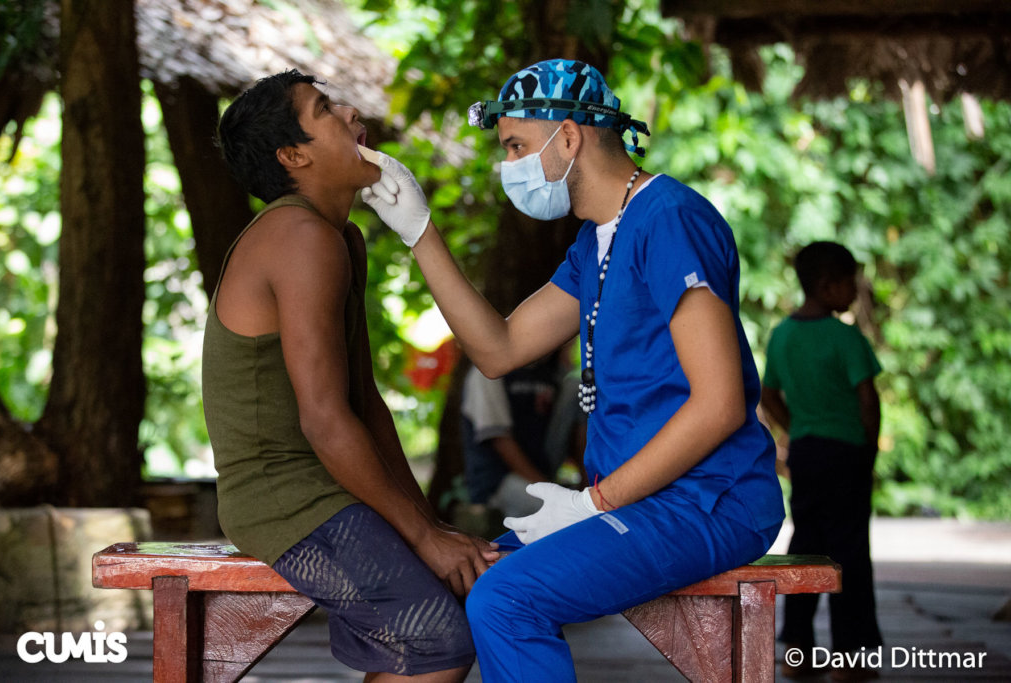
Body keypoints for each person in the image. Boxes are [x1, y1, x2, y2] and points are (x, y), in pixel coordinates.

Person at [361, 58, 785, 682]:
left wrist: (594, 502)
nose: (508, 166)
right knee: (457, 577)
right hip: (636, 505)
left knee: (507, 599)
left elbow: (719, 402)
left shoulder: (668, 218)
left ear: (568, 136)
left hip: (709, 500)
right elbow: (499, 349)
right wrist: (420, 232)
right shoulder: (593, 244)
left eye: (515, 146)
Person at [203, 69, 497, 683]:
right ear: (294, 155)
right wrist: (422, 539)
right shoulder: (299, 236)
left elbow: (364, 405)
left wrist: (431, 527)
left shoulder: (341, 239)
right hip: (282, 494)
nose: (351, 112)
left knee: (451, 612)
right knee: (437, 639)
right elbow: (324, 419)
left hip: (326, 485)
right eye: (325, 110)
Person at [761, 241, 883, 681]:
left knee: (806, 550)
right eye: (851, 282)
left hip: (808, 454)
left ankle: (798, 649)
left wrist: (797, 427)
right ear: (828, 285)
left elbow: (767, 392)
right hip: (847, 453)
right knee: (849, 552)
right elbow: (868, 401)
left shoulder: (783, 335)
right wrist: (867, 449)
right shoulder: (846, 337)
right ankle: (851, 657)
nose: (855, 291)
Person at [460, 351, 568, 519]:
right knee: (565, 513)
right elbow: (499, 440)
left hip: (540, 474)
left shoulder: (551, 373)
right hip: (497, 482)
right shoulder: (488, 371)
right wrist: (550, 489)